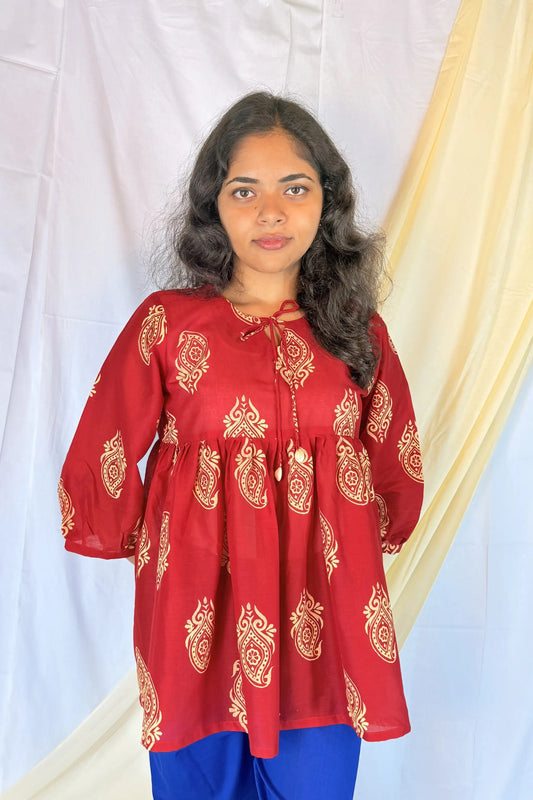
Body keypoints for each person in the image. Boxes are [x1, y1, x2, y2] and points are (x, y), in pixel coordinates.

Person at [58, 92, 424, 800]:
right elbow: (103, 447)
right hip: (196, 610)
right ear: (213, 206)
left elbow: (393, 455)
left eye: (294, 187)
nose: (270, 211)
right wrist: (142, 539)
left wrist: (369, 527)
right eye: (243, 190)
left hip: (327, 620)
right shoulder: (167, 325)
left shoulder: (356, 331)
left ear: (327, 200)